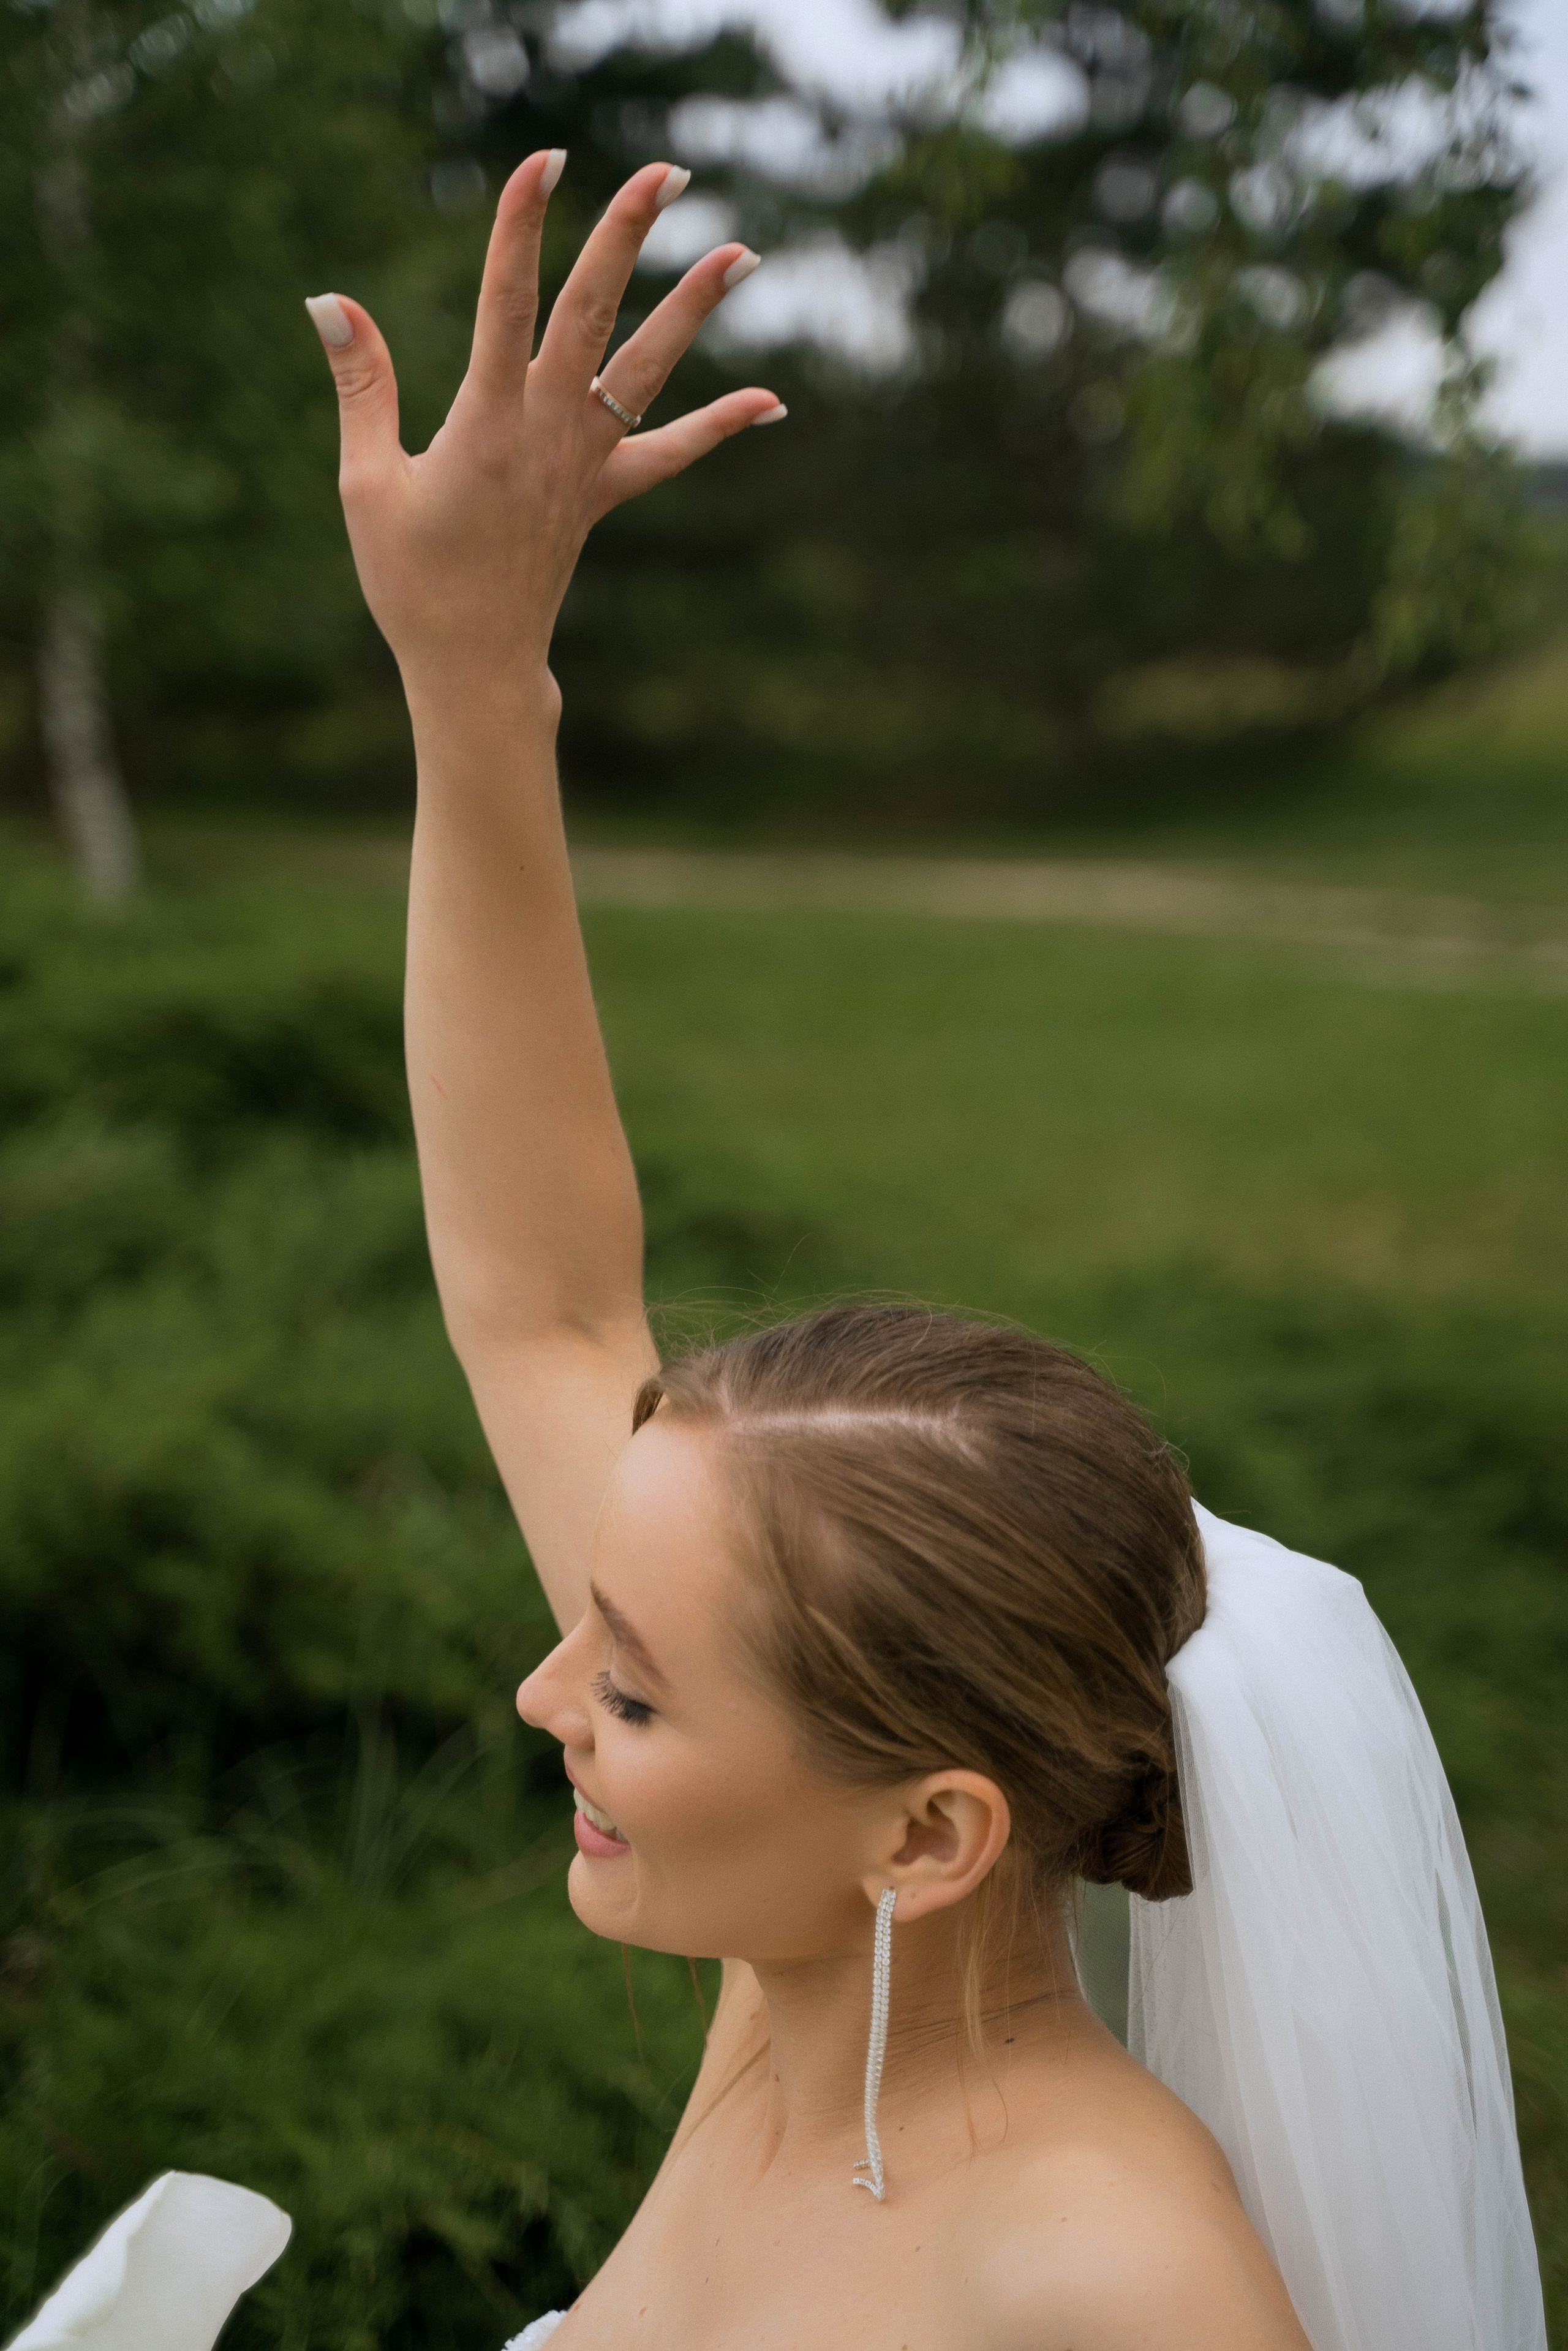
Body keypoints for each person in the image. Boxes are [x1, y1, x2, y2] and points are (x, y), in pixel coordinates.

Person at [295, 153, 1542, 2351]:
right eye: (599, 1630)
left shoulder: (1112, 2284)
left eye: (634, 1684)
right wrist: (472, 675)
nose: (538, 1692)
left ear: (927, 1835)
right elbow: (546, 1297)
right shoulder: (809, 1999)